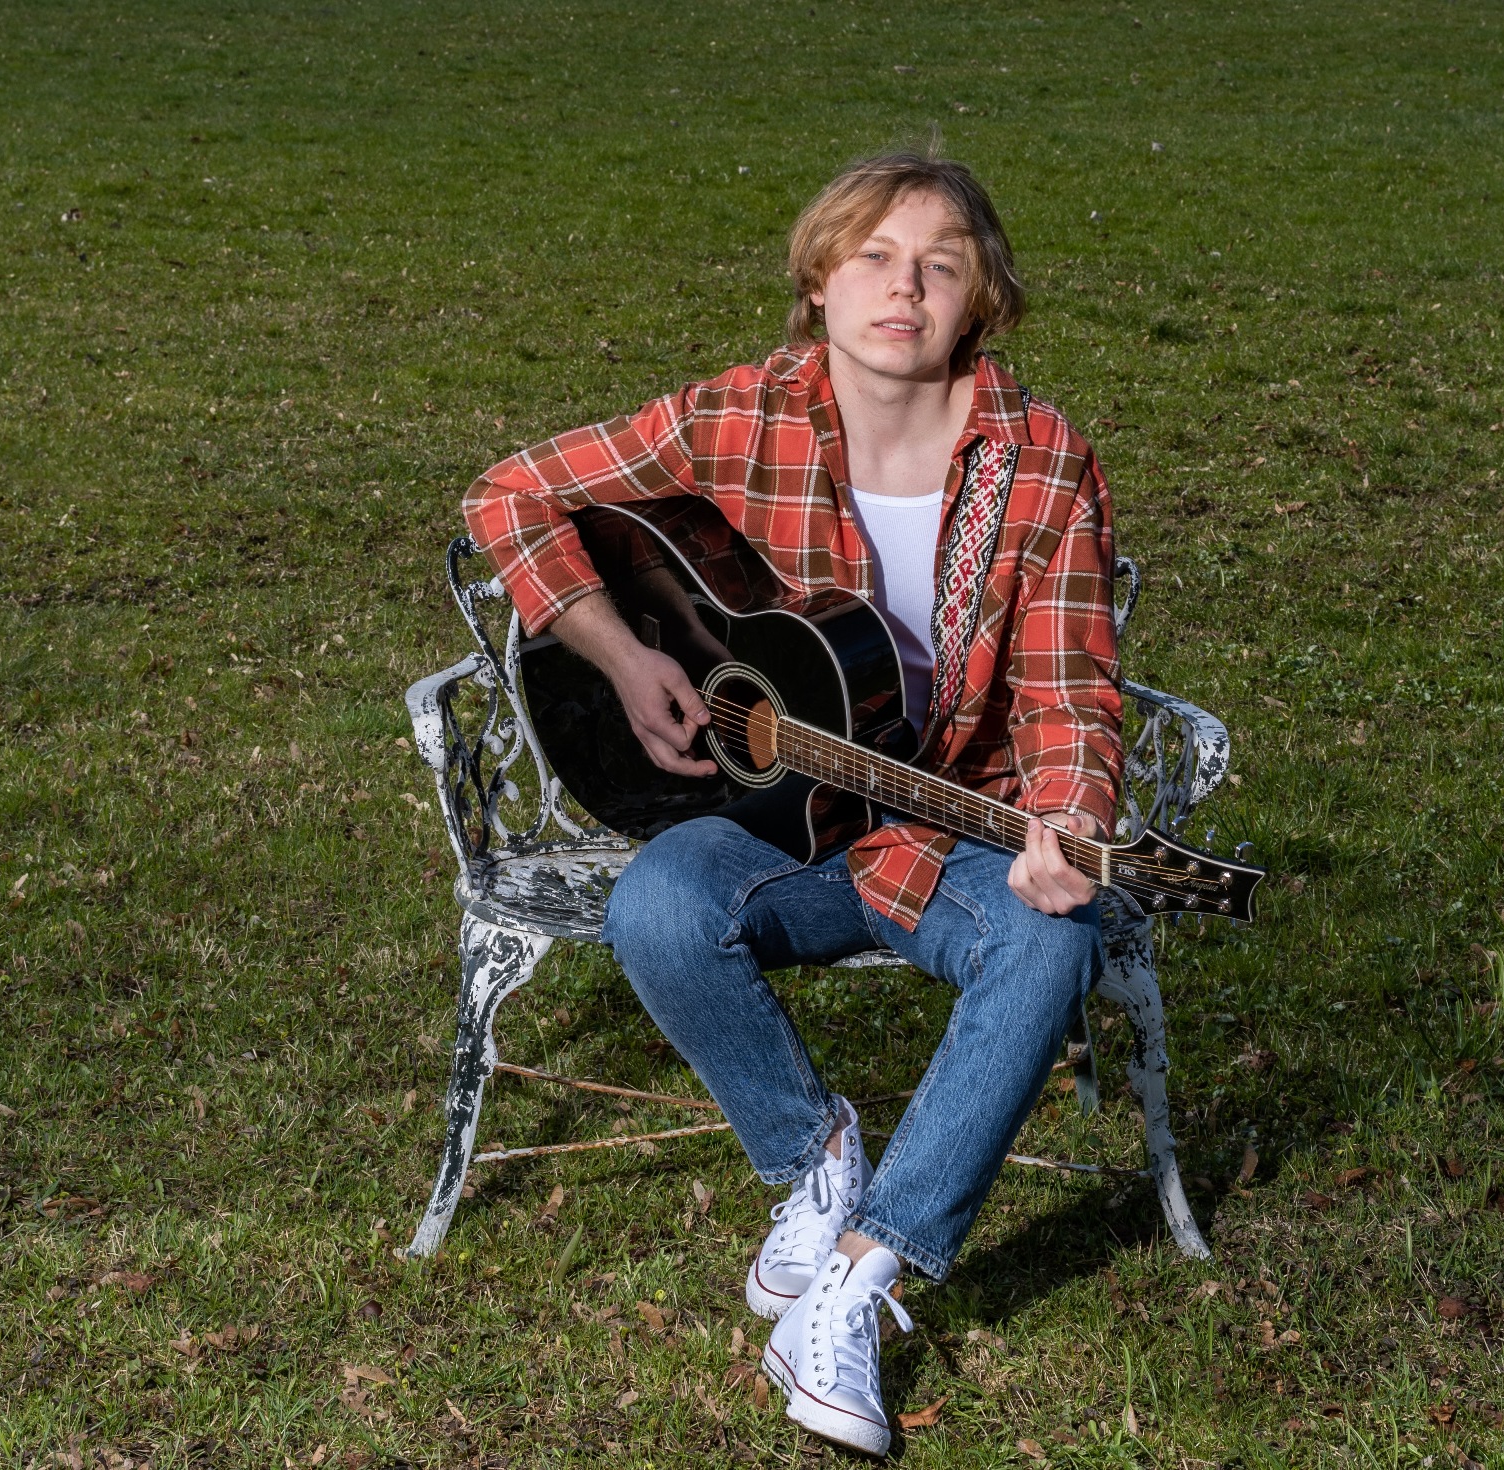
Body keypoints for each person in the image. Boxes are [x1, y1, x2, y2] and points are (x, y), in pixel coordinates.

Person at [463, 153, 1121, 1458]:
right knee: (658, 902)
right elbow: (510, 493)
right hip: (782, 827)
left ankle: (858, 1279)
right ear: (820, 281)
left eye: (940, 264)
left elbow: (1067, 695)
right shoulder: (742, 414)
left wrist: (1071, 816)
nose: (904, 287)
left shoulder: (1039, 462)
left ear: (980, 298)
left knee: (1055, 935)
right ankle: (817, 1157)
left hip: (950, 827)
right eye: (873, 256)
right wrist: (623, 654)